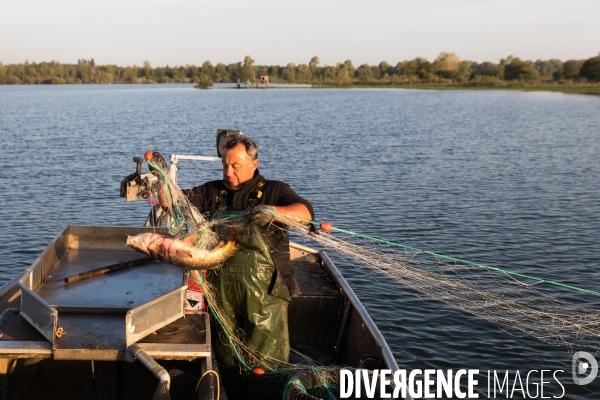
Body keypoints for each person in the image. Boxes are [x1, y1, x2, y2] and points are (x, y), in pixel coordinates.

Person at [178, 136, 313, 398]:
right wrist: (156, 187)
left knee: (267, 366)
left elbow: (306, 213)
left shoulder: (275, 190)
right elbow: (178, 200)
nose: (229, 173)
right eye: (225, 166)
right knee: (228, 357)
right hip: (222, 296)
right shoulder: (211, 192)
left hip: (267, 298)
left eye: (236, 166)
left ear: (254, 164)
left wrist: (274, 212)